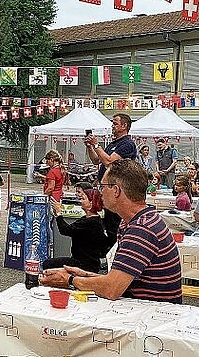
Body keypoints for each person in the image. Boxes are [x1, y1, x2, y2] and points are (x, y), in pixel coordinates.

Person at [41, 159, 182, 303]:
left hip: (151, 316)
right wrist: (84, 275)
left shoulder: (141, 229)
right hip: (145, 308)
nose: (100, 192)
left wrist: (70, 280)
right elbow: (117, 280)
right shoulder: (137, 221)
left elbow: (111, 289)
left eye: (102, 186)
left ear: (116, 190)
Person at [85, 113, 137, 249]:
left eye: (115, 123)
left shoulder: (127, 144)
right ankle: (110, 253)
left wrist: (96, 144)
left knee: (115, 225)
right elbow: (97, 160)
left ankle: (118, 253)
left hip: (118, 191)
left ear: (124, 126)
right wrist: (90, 147)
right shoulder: (113, 143)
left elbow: (109, 162)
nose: (112, 126)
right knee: (109, 224)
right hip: (107, 189)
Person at [43, 184, 108, 274]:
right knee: (51, 263)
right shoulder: (89, 219)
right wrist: (57, 213)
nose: (80, 201)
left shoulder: (90, 222)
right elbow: (70, 228)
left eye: (83, 199)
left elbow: (65, 230)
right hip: (83, 261)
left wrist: (59, 214)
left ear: (91, 202)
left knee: (48, 264)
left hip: (84, 264)